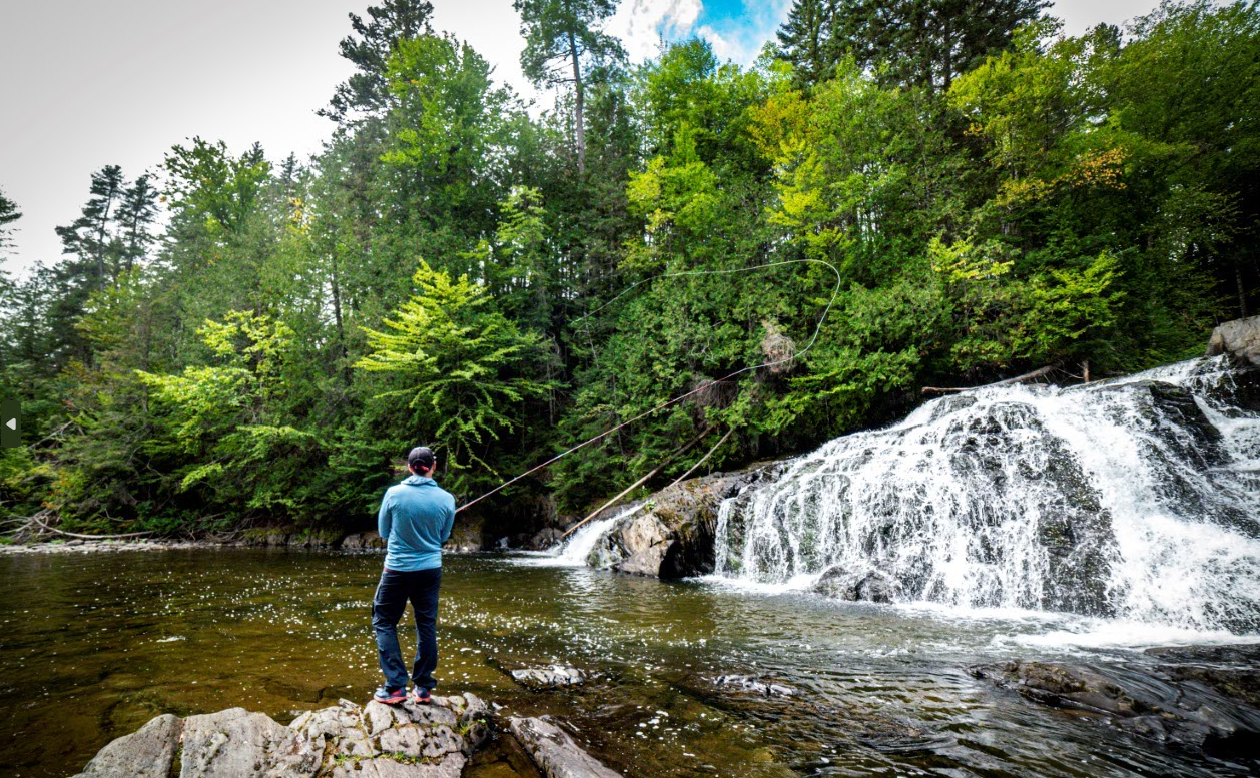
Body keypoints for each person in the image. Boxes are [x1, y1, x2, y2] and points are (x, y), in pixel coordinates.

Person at [372, 445, 456, 705]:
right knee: (426, 625)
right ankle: (423, 688)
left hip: (397, 569)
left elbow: (384, 532)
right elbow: (443, 536)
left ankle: (396, 687)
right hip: (430, 570)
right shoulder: (447, 499)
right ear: (432, 467)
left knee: (384, 622)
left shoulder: (394, 494)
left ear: (409, 467)